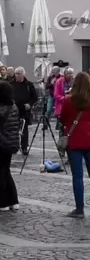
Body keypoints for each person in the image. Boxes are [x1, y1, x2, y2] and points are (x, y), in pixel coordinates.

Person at [60, 71, 90, 217]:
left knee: (77, 176)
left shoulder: (69, 100)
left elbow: (62, 118)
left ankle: (79, 209)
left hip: (74, 140)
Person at [0, 82, 20, 211]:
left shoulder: (1, 108)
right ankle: (13, 200)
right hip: (10, 143)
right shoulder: (14, 106)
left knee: (1, 173)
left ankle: (3, 202)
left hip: (1, 143)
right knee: (6, 171)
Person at [10, 67, 37, 154]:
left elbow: (35, 97)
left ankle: (24, 147)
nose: (17, 75)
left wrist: (30, 104)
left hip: (25, 110)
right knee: (13, 128)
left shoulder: (29, 84)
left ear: (23, 74)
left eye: (19, 73)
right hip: (13, 110)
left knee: (24, 129)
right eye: (16, 73)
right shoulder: (11, 84)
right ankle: (14, 146)